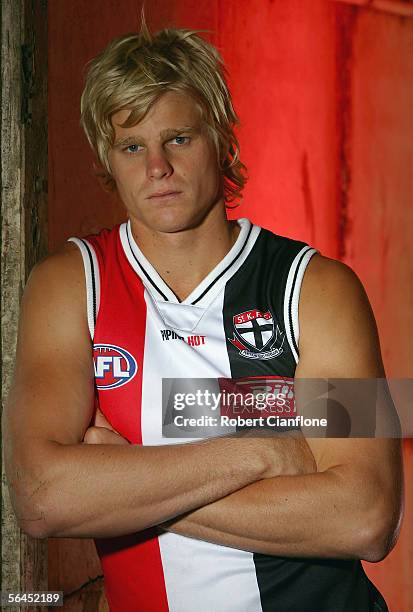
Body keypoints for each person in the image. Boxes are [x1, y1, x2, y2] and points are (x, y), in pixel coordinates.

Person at [3, 22, 403, 612]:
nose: (156, 167)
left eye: (179, 139)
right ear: (107, 160)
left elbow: (368, 516)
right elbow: (40, 497)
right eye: (131, 146)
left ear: (220, 138)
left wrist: (118, 486)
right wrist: (261, 453)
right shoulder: (68, 286)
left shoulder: (321, 290)